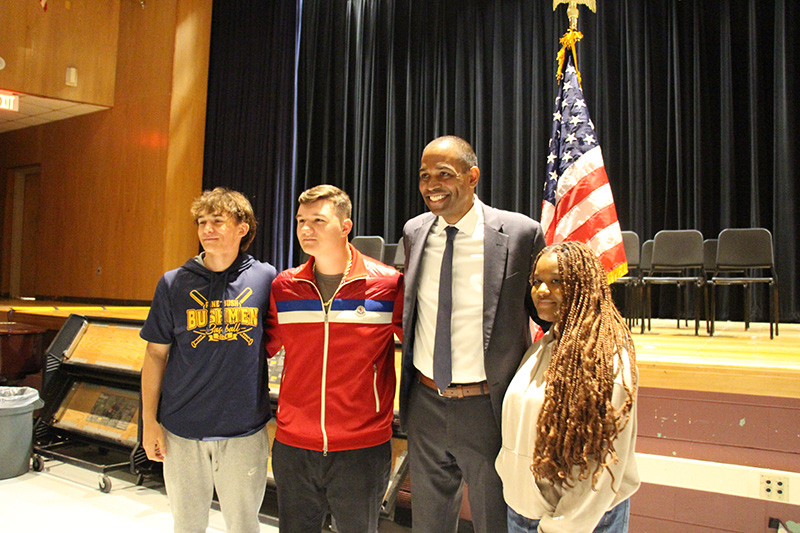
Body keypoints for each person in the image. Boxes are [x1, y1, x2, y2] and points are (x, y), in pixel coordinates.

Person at [399, 135, 547, 532]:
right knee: (428, 523)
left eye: (444, 174)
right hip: (425, 402)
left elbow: (548, 313)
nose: (432, 185)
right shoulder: (415, 232)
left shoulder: (520, 234)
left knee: (493, 521)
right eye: (424, 175)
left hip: (487, 407)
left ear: (472, 176)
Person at [265, 184, 403, 533]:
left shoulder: (387, 285)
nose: (305, 229)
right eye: (300, 221)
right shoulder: (284, 287)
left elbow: (421, 347)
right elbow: (260, 349)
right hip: (294, 446)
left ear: (345, 226)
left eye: (318, 220)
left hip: (362, 448)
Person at [140, 187, 276, 533]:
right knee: (187, 526)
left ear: (242, 227)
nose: (206, 230)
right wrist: (149, 422)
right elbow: (155, 355)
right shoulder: (173, 283)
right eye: (202, 222)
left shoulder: (265, 279)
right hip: (182, 429)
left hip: (244, 431)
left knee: (244, 525)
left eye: (217, 221)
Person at [495, 241, 640, 533]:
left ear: (584, 286)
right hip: (524, 512)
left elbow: (603, 463)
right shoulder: (542, 347)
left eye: (556, 282)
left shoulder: (605, 359)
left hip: (574, 523)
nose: (542, 291)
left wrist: (561, 526)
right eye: (537, 281)